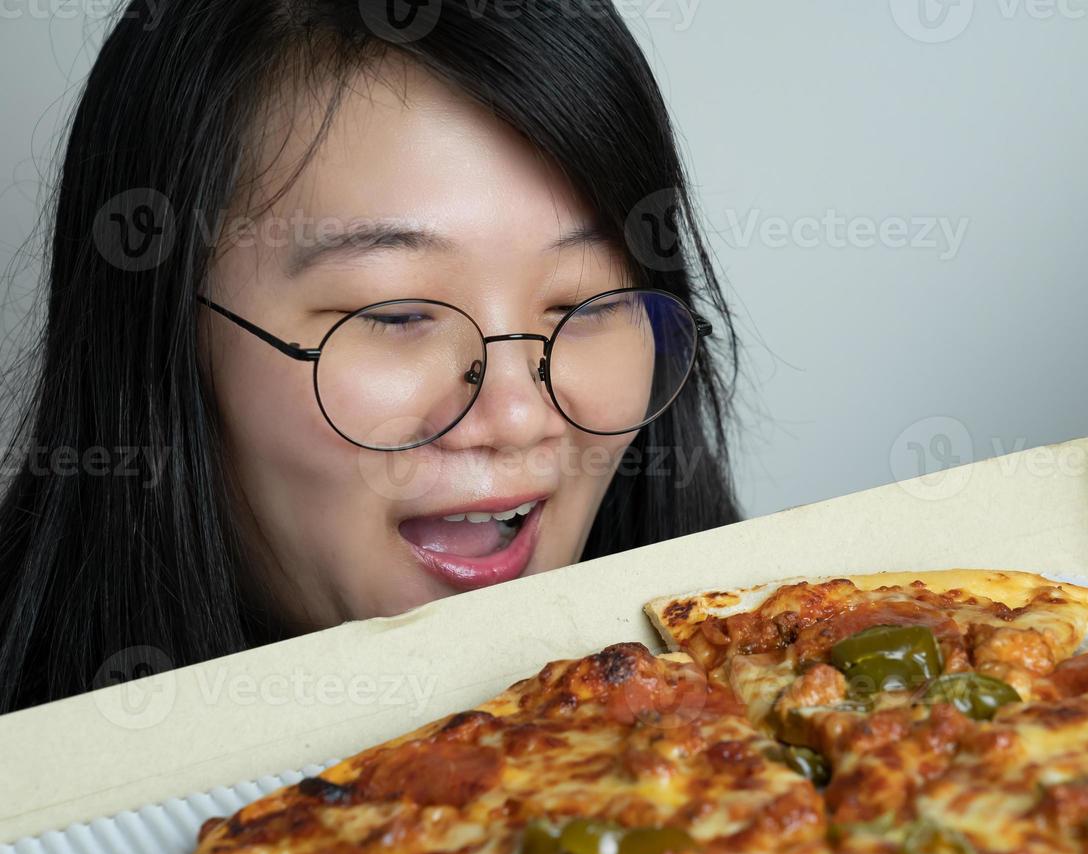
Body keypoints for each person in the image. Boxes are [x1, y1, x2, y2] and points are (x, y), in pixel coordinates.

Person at [0, 0, 741, 714]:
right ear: (161, 336)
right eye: (395, 314)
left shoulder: (780, 712)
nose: (516, 416)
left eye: (589, 304)